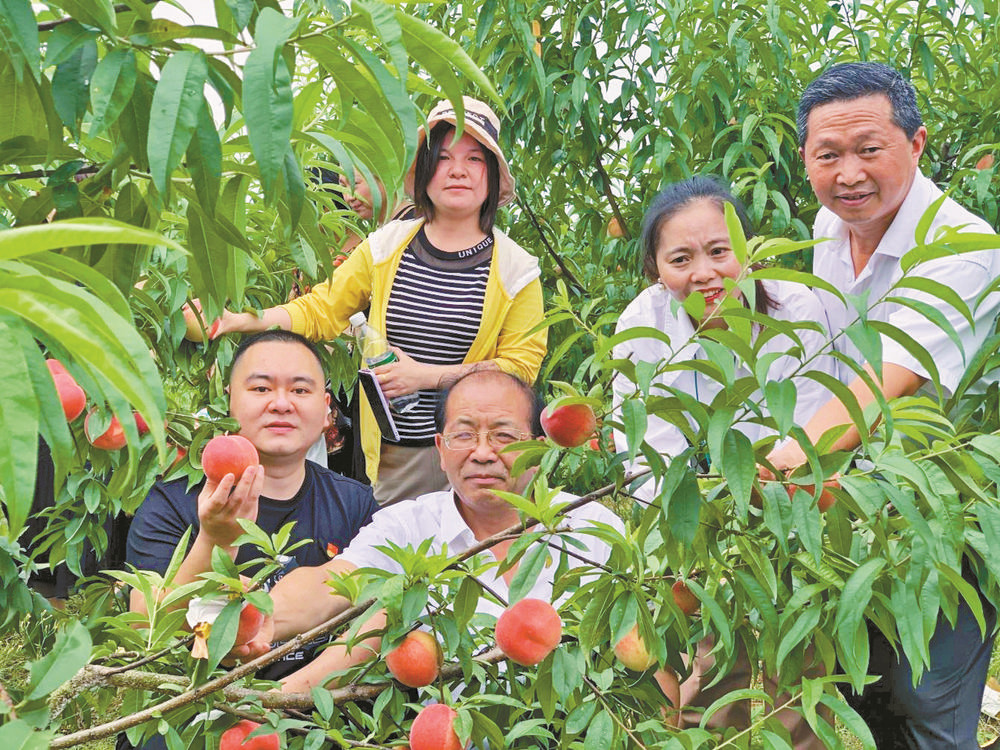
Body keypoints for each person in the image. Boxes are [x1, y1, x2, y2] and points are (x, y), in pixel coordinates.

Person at [768, 61, 1000, 749]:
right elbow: (822, 363)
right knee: (862, 681)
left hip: (954, 504)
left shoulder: (965, 250)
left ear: (917, 144)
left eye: (869, 149)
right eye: (827, 155)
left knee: (930, 692)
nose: (849, 174)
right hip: (863, 499)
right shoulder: (828, 230)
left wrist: (783, 457)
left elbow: (880, 382)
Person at [214, 97, 547, 505]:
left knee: (478, 558)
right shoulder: (386, 248)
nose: (458, 170)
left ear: (492, 176)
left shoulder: (516, 269)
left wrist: (425, 376)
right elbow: (322, 309)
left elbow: (520, 367)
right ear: (425, 172)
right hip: (401, 451)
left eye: (474, 159)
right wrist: (241, 319)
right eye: (442, 158)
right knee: (400, 559)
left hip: (483, 454)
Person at [612, 176, 835, 748]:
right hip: (692, 524)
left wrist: (766, 488)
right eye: (680, 258)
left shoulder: (796, 307)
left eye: (719, 251)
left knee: (801, 676)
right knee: (706, 681)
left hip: (792, 509)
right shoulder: (643, 326)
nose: (704, 272)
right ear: (656, 270)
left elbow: (812, 432)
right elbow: (646, 452)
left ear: (747, 249)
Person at [250, 370, 626, 696]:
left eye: (504, 436)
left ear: (539, 448)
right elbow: (332, 582)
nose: (482, 453)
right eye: (463, 435)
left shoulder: (591, 528)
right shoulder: (410, 527)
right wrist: (250, 619)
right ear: (440, 450)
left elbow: (637, 645)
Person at [120, 330, 379, 750]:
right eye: (261, 388)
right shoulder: (174, 501)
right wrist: (214, 540)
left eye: (300, 389)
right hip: (194, 707)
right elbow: (148, 632)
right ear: (229, 400)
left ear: (327, 408)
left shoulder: (355, 503)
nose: (281, 403)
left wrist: (279, 701)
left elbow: (379, 620)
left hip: (313, 713)